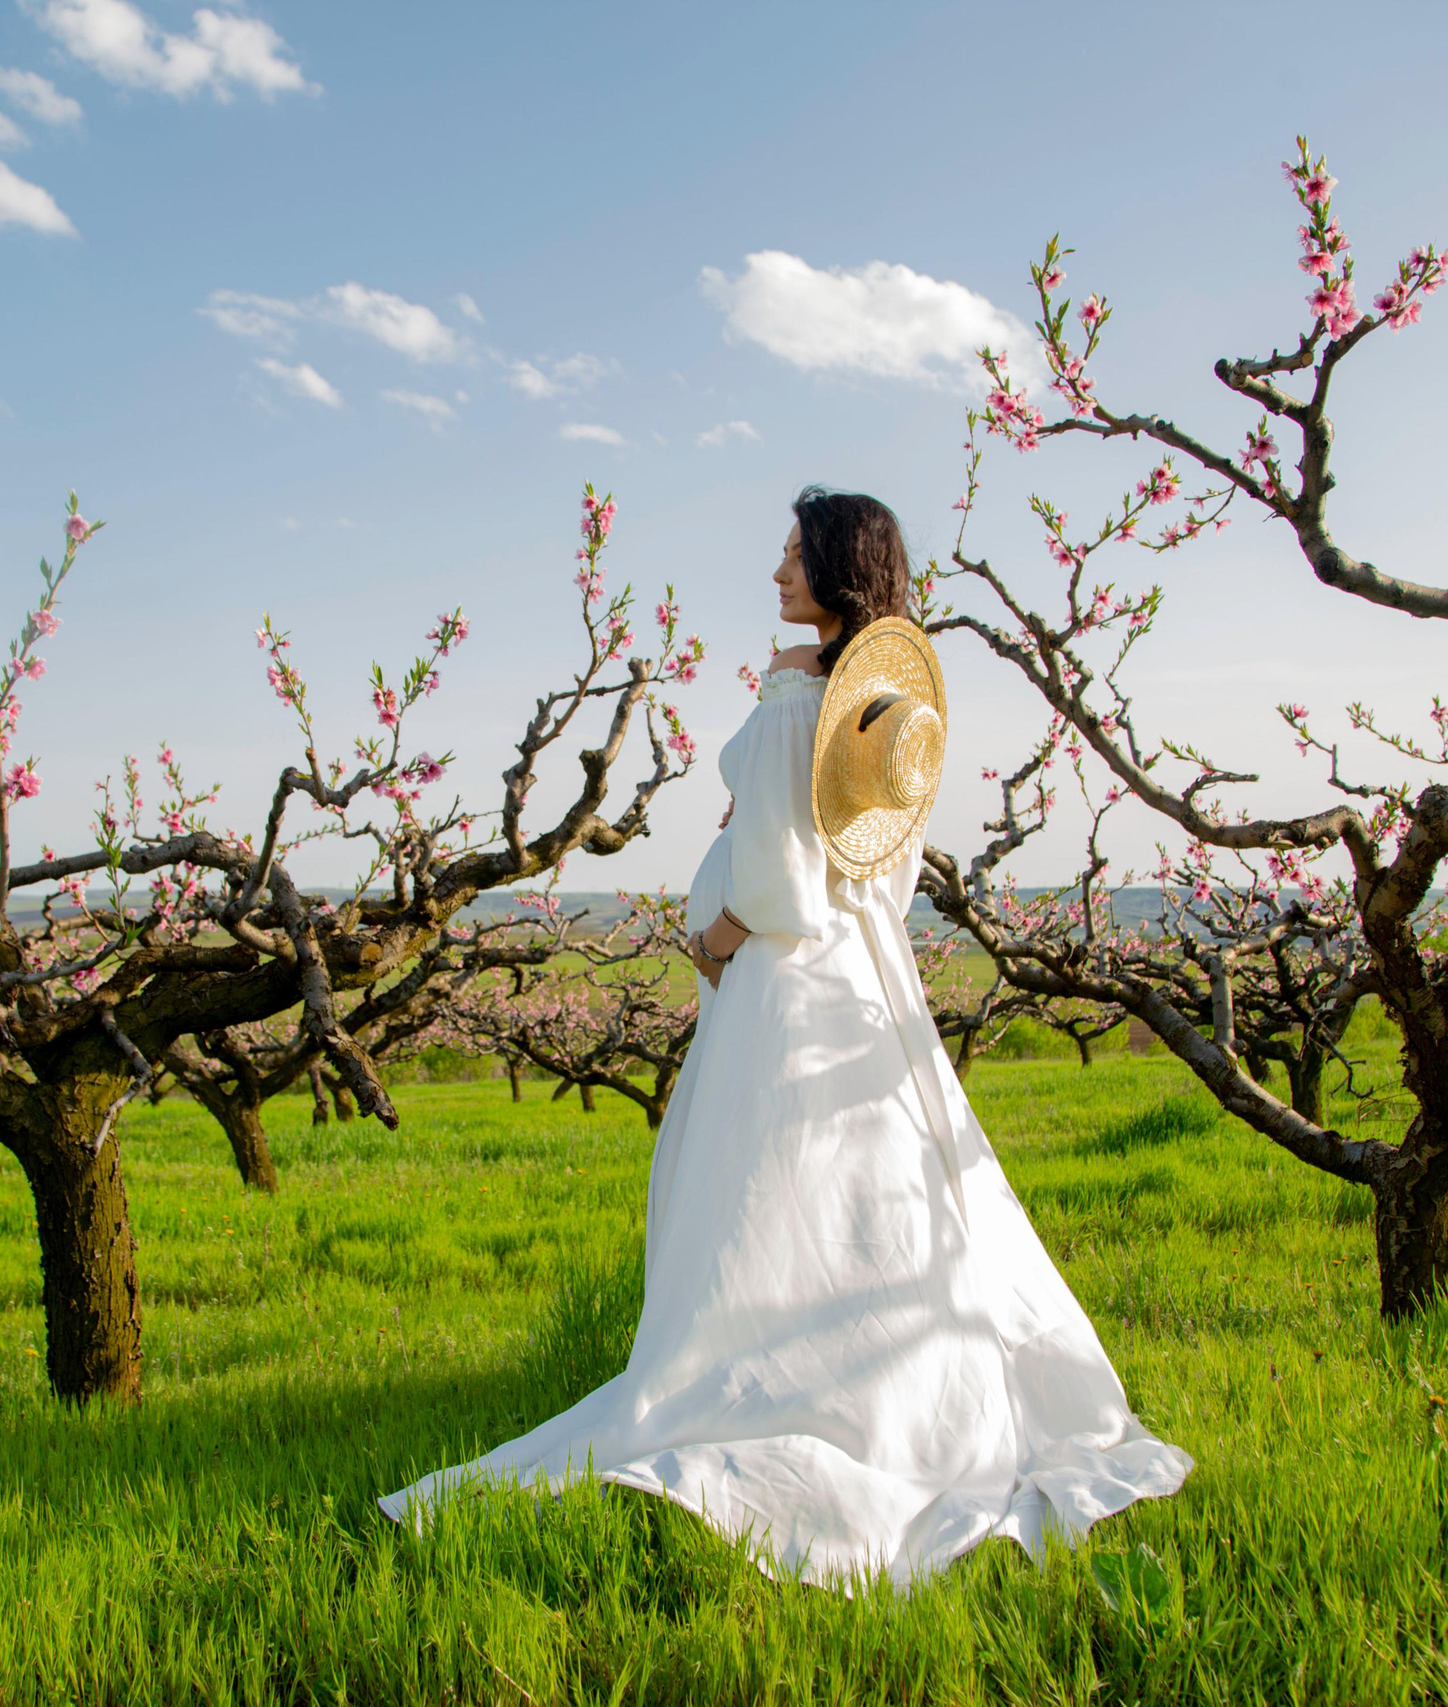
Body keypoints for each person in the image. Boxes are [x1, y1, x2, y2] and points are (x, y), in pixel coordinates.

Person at [377, 486, 1191, 1589]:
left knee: (760, 1187)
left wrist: (717, 935)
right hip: (865, 973)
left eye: (794, 556)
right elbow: (871, 866)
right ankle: (893, 1383)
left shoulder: (795, 691)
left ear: (837, 566)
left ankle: (771, 1387)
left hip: (782, 973)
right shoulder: (887, 711)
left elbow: (776, 868)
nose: (776, 573)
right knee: (866, 1186)